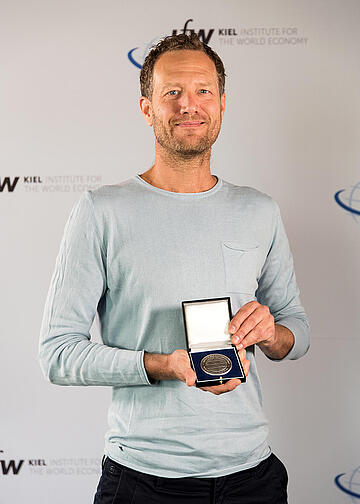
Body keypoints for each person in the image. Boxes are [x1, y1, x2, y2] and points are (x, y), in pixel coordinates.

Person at [39, 33, 310, 503]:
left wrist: (271, 332)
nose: (190, 105)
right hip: (143, 479)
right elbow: (58, 354)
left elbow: (297, 334)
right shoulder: (101, 211)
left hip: (253, 475)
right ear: (147, 108)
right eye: (172, 93)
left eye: (203, 91)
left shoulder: (259, 210)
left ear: (222, 104)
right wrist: (163, 365)